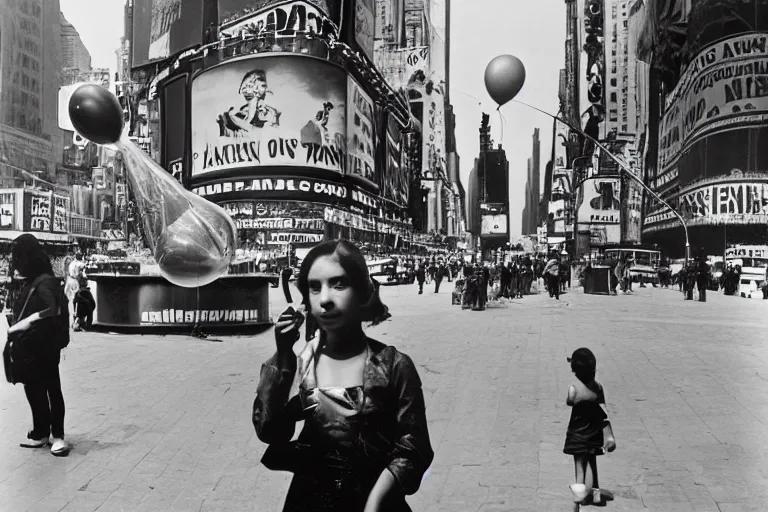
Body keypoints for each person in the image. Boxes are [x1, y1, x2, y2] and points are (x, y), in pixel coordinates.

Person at [252, 239, 433, 512]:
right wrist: (283, 355)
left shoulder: (394, 365)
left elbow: (413, 448)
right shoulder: (302, 364)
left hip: (376, 501)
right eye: (315, 287)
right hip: (308, 501)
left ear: (362, 293)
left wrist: (374, 503)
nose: (325, 299)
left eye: (339, 284)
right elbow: (270, 431)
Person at [7, 234, 70, 456]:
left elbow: (52, 310)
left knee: (51, 388)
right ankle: (40, 431)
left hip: (45, 346)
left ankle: (58, 436)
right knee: (34, 389)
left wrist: (24, 323)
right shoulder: (31, 280)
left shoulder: (44, 282)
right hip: (32, 347)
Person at [564, 348, 616, 507]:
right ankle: (596, 493)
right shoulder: (598, 388)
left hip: (578, 431)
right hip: (594, 432)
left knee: (579, 462)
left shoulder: (573, 388)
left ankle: (579, 494)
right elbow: (603, 410)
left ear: (574, 369)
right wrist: (609, 435)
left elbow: (570, 401)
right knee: (592, 462)